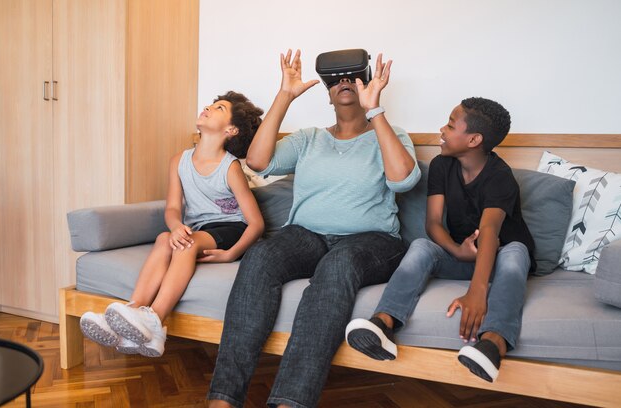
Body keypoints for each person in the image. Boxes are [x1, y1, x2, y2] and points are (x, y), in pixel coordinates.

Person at [207, 49, 421, 408]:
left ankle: (289, 401)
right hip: (307, 235)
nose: (344, 84)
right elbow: (259, 161)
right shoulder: (309, 139)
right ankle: (224, 399)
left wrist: (375, 111)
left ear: (366, 83)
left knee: (338, 266)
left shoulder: (391, 132)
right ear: (327, 93)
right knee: (260, 256)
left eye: (352, 78)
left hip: (373, 240)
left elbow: (403, 180)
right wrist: (285, 95)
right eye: (335, 80)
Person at [345, 97, 536, 383]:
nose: (442, 130)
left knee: (516, 252)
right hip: (466, 256)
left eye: (450, 124)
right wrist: (457, 253)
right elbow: (433, 223)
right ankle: (383, 323)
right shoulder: (441, 165)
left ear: (473, 139)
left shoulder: (500, 177)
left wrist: (476, 291)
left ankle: (492, 344)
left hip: (499, 257)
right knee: (421, 245)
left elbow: (490, 233)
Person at [79, 91, 265, 358]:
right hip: (200, 229)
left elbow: (256, 223)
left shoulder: (230, 167)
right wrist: (176, 225)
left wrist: (231, 254)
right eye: (210, 104)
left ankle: (155, 320)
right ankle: (133, 309)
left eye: (219, 108)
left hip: (232, 229)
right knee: (164, 239)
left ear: (231, 129)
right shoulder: (179, 161)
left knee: (186, 244)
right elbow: (173, 208)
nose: (208, 107)